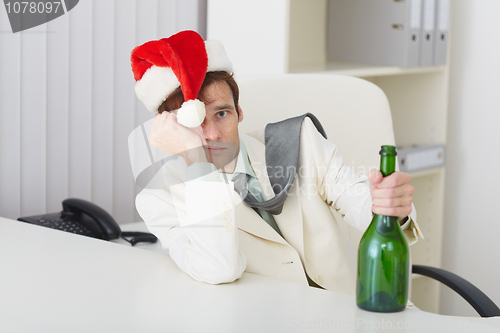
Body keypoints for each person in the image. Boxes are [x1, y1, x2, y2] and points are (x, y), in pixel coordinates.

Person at [130, 30, 421, 294]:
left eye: (222, 114)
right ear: (171, 128)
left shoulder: (299, 141)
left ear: (239, 112)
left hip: (348, 310)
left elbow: (358, 199)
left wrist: (387, 206)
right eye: (194, 122)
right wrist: (196, 159)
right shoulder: (160, 199)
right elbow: (218, 268)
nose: (213, 134)